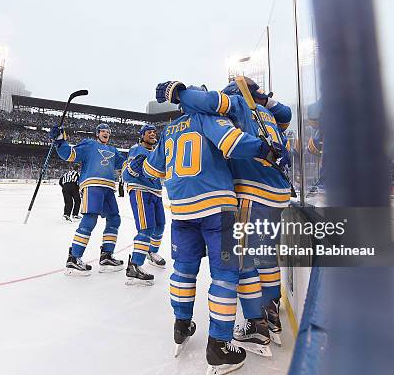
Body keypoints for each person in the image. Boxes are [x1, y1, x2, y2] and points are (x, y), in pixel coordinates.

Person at [129, 81, 279, 375]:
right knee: (225, 274)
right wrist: (265, 149)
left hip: (182, 212)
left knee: (183, 270)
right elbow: (233, 143)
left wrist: (138, 163)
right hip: (218, 207)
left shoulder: (169, 130)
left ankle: (181, 325)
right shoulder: (207, 118)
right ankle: (219, 346)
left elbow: (151, 171)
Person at [170, 77, 292, 356]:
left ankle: (256, 325)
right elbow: (286, 113)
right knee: (266, 256)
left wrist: (177, 91)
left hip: (251, 189)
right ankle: (271, 313)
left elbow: (205, 104)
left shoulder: (236, 105)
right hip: (278, 192)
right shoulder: (269, 114)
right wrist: (264, 98)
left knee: (243, 263)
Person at [50, 123, 127, 276]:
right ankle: (74, 258)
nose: (106, 133)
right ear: (97, 133)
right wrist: (60, 141)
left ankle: (106, 255)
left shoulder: (113, 151)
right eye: (103, 131)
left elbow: (124, 164)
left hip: (109, 188)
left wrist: (136, 160)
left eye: (108, 131)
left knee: (114, 219)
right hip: (93, 185)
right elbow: (70, 154)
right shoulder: (89, 145)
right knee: (90, 219)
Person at [122, 124, 166, 286]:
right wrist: (133, 168)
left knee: (160, 225)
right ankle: (134, 265)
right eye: (149, 132)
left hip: (156, 191)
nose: (153, 134)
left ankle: (151, 252)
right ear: (142, 136)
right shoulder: (136, 149)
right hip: (140, 190)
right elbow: (127, 173)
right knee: (146, 228)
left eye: (154, 132)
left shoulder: (156, 153)